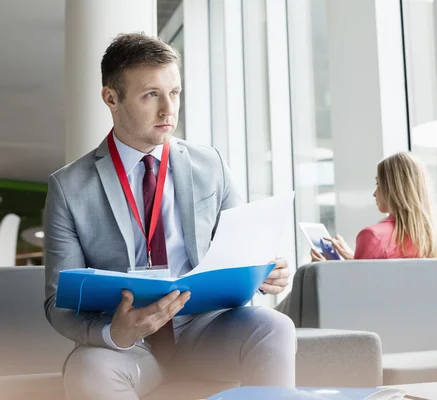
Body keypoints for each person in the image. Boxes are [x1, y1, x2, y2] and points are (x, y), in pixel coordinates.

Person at [44, 33, 296, 400]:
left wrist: (264, 273)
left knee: (276, 327)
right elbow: (57, 304)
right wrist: (115, 333)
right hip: (129, 344)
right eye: (151, 94)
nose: (168, 109)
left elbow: (241, 253)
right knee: (87, 370)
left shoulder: (211, 165)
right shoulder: (69, 187)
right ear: (111, 98)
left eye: (174, 93)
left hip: (205, 329)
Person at [311, 152, 437, 261]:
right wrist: (354, 259)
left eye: (378, 183)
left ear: (394, 188)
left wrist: (324, 268)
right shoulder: (427, 239)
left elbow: (356, 287)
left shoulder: (372, 236)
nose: (374, 193)